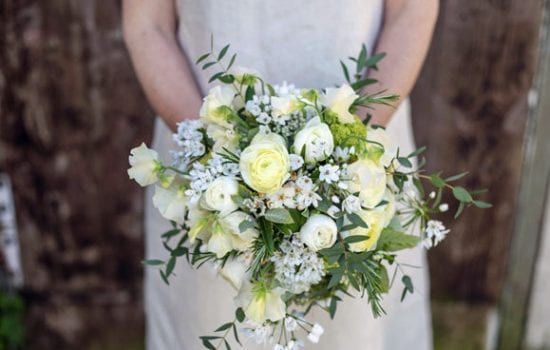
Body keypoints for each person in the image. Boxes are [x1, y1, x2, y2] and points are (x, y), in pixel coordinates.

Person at [122, 1, 439, 349]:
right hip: (206, 159)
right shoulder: (211, 160)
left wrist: (349, 149)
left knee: (355, 329)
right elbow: (149, 25)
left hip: (362, 152)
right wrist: (216, 156)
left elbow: (412, 10)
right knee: (211, 313)